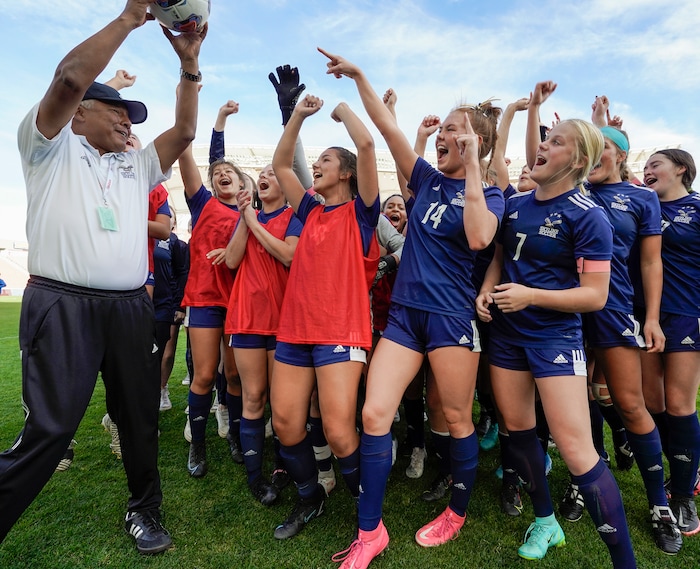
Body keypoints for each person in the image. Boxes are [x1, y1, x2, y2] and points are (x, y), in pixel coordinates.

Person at [2, 0, 206, 555]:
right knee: (51, 428)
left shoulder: (133, 165)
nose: (126, 121)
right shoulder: (46, 147)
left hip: (129, 308)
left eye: (131, 117)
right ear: (78, 114)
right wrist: (129, 19)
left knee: (139, 418)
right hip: (61, 303)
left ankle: (145, 512)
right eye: (115, 111)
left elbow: (185, 131)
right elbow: (69, 77)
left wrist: (189, 65)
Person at [320, 49, 504, 568]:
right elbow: (385, 126)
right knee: (375, 414)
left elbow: (477, 237)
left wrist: (471, 168)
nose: (441, 135)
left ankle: (457, 511)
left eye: (454, 129)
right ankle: (370, 530)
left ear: (478, 143)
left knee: (454, 417)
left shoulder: (491, 196)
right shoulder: (423, 178)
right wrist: (359, 76)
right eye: (442, 128)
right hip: (404, 315)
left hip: (450, 319)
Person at [476, 81, 636, 567]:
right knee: (519, 431)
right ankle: (545, 520)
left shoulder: (589, 217)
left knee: (576, 450)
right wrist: (490, 288)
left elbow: (595, 295)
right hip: (506, 335)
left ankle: (624, 561)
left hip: (553, 337)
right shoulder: (518, 204)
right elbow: (501, 257)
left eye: (556, 140)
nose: (543, 145)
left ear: (578, 159)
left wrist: (530, 296)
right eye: (545, 138)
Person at [571, 104, 681, 554]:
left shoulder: (641, 198)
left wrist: (651, 317)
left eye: (603, 150)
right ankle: (585, 481)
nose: (594, 156)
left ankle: (660, 505)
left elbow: (651, 261)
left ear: (618, 155)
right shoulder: (572, 191)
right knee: (580, 405)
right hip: (566, 313)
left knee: (631, 404)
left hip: (615, 309)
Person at [269, 93, 380, 540]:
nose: (316, 165)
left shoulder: (363, 213)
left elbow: (368, 146)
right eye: (315, 160)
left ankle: (364, 509)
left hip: (341, 330)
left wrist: (343, 110)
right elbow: (281, 167)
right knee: (286, 424)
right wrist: (296, 115)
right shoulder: (311, 209)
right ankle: (309, 495)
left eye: (326, 160)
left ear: (346, 173)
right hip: (295, 330)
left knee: (337, 431)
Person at [224, 163, 303, 505]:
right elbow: (231, 260)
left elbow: (289, 254)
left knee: (282, 403)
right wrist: (246, 217)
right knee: (253, 397)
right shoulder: (247, 216)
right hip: (246, 318)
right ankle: (256, 478)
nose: (265, 177)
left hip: (284, 320)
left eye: (272, 172)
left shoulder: (295, 217)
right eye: (262, 175)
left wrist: (254, 221)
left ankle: (282, 466)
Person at [179, 121, 244, 476]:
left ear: (240, 182)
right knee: (204, 375)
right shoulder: (202, 203)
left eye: (228, 172)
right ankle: (198, 446)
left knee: (234, 375)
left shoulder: (252, 215)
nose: (222, 175)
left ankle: (235, 436)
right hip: (205, 299)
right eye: (217, 172)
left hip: (238, 303)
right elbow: (185, 152)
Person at [642, 149, 700, 537]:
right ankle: (688, 466)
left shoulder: (695, 209)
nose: (647, 171)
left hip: (686, 312)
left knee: (679, 403)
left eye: (655, 164)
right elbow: (608, 157)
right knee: (652, 402)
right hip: (645, 313)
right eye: (644, 167)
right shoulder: (643, 206)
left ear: (681, 168)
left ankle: (682, 494)